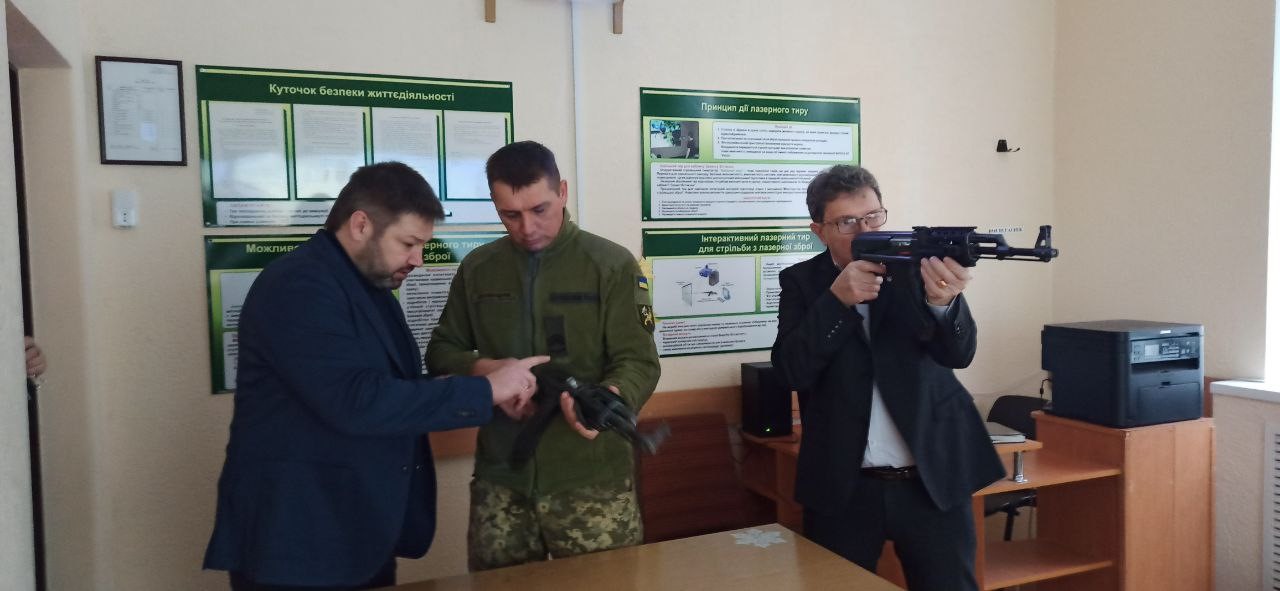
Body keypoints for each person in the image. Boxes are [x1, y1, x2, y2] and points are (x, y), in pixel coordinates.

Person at [203, 162, 546, 590]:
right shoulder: (299, 286)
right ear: (361, 225)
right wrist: (483, 390)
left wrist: (487, 385)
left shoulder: (367, 284)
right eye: (408, 243)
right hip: (300, 542)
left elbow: (389, 388)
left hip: (356, 533)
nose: (418, 259)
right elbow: (356, 401)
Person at [426, 140, 661, 571]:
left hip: (591, 477)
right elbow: (441, 351)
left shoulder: (610, 264)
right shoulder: (479, 268)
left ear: (563, 192)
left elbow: (639, 361)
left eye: (540, 209)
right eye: (510, 215)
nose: (527, 227)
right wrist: (489, 372)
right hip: (503, 478)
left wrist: (608, 399)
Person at [770, 165, 1004, 591]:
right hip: (844, 487)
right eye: (846, 222)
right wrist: (837, 301)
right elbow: (791, 371)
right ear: (819, 231)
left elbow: (959, 354)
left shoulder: (915, 269)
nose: (865, 231)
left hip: (932, 479)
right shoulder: (802, 282)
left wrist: (944, 303)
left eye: (873, 216)